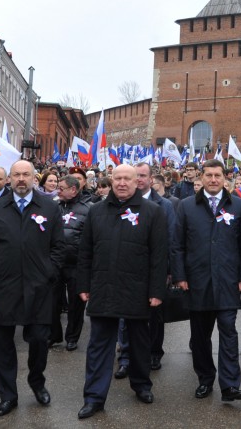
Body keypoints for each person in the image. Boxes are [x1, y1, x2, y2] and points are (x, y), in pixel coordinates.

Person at [0, 160, 66, 417]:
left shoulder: (49, 207)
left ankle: (37, 382)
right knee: (2, 344)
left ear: (34, 178)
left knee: (38, 339)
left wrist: (49, 272)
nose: (21, 179)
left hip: (39, 288)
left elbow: (59, 247)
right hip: (3, 286)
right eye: (16, 175)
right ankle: (8, 396)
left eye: (26, 174)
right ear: (9, 179)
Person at [76, 165, 167, 419]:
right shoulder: (96, 212)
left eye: (128, 178)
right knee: (99, 345)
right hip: (103, 287)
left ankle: (141, 385)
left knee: (139, 343)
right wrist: (83, 285)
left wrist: (157, 290)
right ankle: (94, 397)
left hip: (139, 289)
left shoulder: (153, 212)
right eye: (118, 179)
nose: (122, 183)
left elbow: (160, 256)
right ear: (111, 181)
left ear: (138, 181)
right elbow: (85, 252)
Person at [171, 159, 241, 402]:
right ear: (201, 177)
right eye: (209, 175)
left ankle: (229, 385)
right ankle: (205, 378)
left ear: (224, 178)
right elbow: (177, 245)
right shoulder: (186, 206)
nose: (214, 179)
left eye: (218, 175)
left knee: (229, 332)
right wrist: (180, 276)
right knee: (200, 336)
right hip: (197, 281)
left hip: (228, 281)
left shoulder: (238, 206)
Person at [134, 162, 176, 371]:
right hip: (131, 269)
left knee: (156, 314)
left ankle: (154, 352)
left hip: (156, 268)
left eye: (143, 175)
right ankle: (127, 356)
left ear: (151, 179)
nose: (139, 179)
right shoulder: (126, 202)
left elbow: (171, 239)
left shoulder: (164, 205)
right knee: (129, 315)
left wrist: (169, 270)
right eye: (136, 176)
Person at [51, 175, 92, 351]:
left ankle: (72, 337)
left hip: (77, 265)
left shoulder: (89, 209)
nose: (57, 190)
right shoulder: (53, 207)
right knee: (52, 302)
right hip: (55, 264)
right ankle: (53, 335)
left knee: (76, 305)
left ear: (73, 190)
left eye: (61, 188)